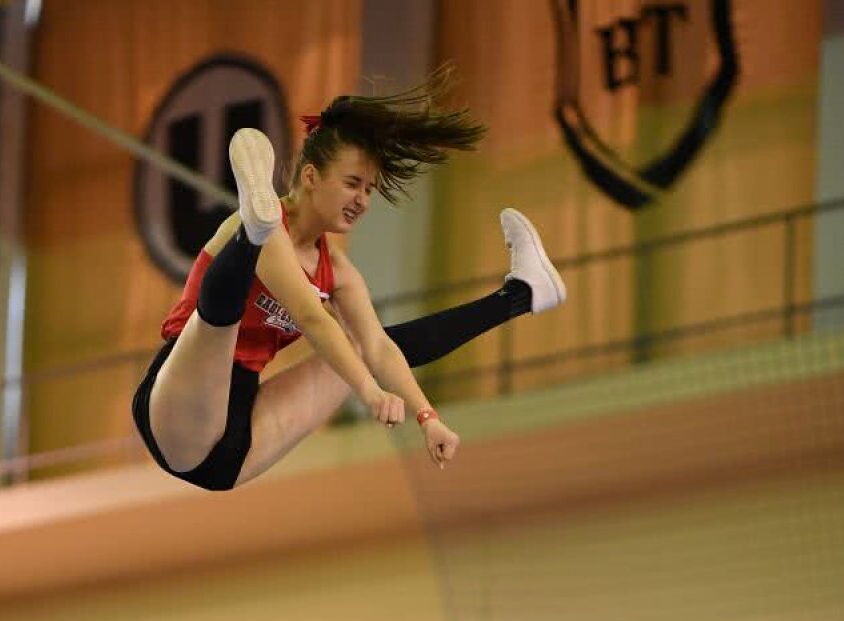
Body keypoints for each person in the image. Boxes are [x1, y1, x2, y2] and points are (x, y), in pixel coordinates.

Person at [131, 71, 565, 493]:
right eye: (353, 183)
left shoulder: (338, 272)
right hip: (180, 408)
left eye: (370, 190)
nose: (362, 199)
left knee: (362, 346)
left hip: (237, 447)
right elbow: (310, 316)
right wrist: (368, 392)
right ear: (311, 176)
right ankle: (250, 232)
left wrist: (426, 416)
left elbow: (379, 349)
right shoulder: (283, 237)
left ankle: (522, 294)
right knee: (217, 326)